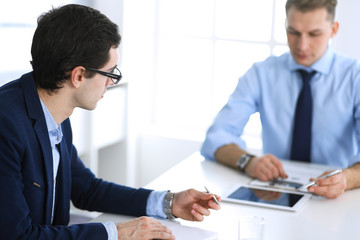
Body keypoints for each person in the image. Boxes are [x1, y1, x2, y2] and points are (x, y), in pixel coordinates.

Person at [0, 4, 220, 240]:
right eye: (110, 73)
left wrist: (169, 203)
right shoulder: (6, 124)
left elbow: (86, 188)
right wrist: (116, 233)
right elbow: (18, 236)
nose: (111, 83)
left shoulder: (52, 109)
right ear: (79, 76)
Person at [201, 0, 360, 199]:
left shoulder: (355, 77)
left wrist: (348, 178)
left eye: (314, 34)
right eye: (293, 32)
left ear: (333, 30)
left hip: (338, 199)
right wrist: (247, 161)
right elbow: (216, 136)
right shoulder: (261, 74)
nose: (302, 45)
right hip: (274, 195)